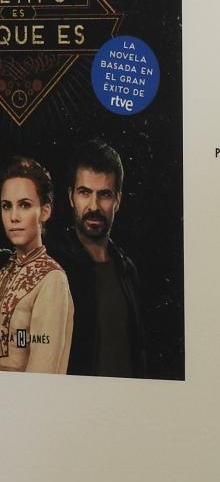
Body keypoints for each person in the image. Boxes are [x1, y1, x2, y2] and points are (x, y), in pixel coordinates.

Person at [46, 138, 146, 378]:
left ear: (118, 201)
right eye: (85, 192)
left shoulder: (127, 269)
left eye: (104, 194)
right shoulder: (51, 267)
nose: (94, 206)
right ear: (71, 197)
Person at [0, 156, 72, 373]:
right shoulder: (4, 269)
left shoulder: (52, 280)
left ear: (45, 211)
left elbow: (42, 376)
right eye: (6, 206)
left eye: (24, 205)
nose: (13, 217)